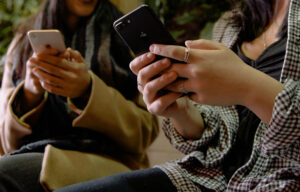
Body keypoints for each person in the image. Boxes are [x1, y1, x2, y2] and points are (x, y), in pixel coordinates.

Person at [53, 0, 300, 191]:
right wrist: (182, 112)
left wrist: (248, 87)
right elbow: (217, 143)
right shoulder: (233, 23)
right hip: (207, 179)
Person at [0, 0, 159, 191]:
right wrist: (29, 94)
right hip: (31, 153)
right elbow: (5, 143)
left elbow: (145, 132)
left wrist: (87, 90)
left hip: (108, 163)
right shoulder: (23, 40)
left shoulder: (128, 35)